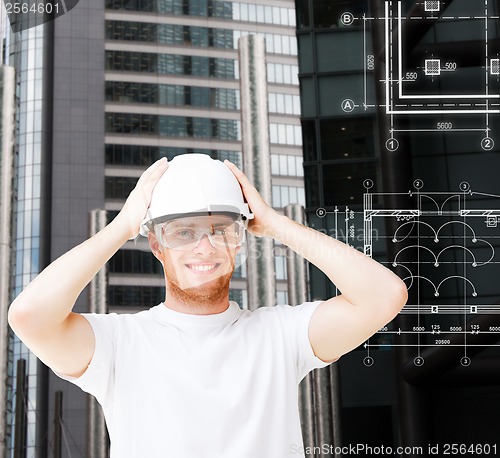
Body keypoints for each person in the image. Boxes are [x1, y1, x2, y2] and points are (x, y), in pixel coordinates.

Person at [8, 154, 408, 457]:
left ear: (240, 238)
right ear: (156, 245)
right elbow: (30, 316)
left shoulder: (280, 336)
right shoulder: (121, 344)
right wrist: (122, 227)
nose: (205, 247)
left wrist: (273, 223)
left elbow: (384, 296)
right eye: (183, 232)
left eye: (221, 230)